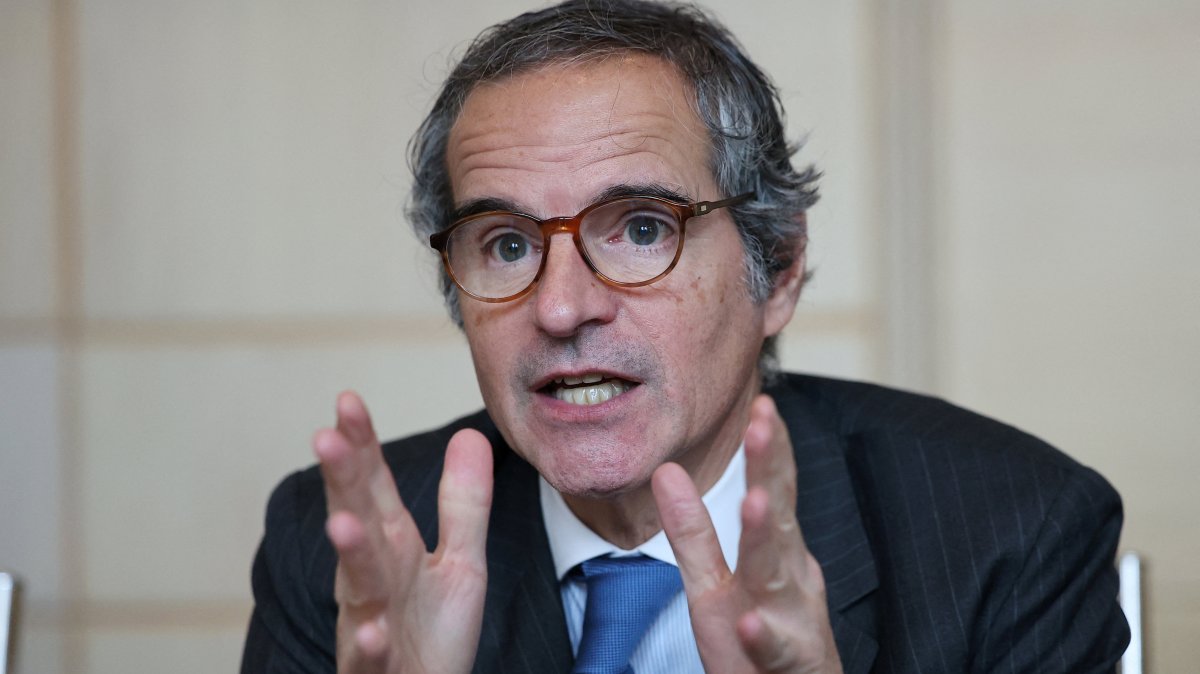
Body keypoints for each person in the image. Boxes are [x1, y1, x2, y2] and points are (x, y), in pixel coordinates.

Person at [241, 1, 1130, 672]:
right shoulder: (338, 551)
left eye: (639, 229)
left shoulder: (1013, 529)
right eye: (507, 245)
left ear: (776, 269)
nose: (561, 309)